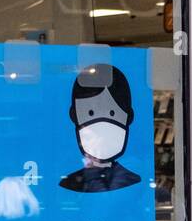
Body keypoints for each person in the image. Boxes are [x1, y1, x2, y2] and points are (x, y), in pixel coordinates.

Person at [59, 64, 142, 192]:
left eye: (112, 113)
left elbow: (105, 204)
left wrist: (92, 170)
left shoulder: (130, 175)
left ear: (128, 117)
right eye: (90, 113)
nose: (101, 130)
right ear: (74, 116)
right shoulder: (70, 180)